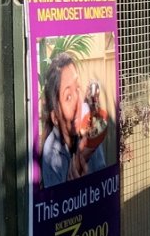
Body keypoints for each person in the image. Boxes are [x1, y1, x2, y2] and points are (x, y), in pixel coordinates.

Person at [39, 52, 109, 188]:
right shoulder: (51, 153)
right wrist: (73, 191)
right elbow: (57, 207)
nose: (78, 102)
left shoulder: (90, 126)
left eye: (77, 88)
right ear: (55, 118)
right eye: (68, 97)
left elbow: (103, 187)